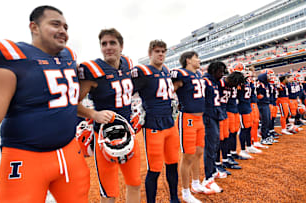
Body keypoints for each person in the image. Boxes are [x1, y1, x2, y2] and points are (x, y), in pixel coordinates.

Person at [0, 6, 91, 202]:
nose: (63, 31)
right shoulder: (13, 57)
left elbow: (70, 101)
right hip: (25, 158)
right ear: (34, 27)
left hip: (69, 154)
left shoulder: (69, 57)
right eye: (55, 24)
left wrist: (94, 114)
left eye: (65, 26)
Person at [77, 28, 141, 203]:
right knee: (109, 191)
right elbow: (72, 104)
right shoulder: (93, 71)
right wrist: (93, 114)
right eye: (104, 44)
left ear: (121, 46)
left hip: (129, 134)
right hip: (104, 138)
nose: (108, 47)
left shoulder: (128, 63)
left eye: (112, 43)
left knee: (135, 183)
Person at [132, 40, 180, 203]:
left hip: (170, 124)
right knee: (154, 168)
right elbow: (127, 92)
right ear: (150, 53)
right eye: (157, 51)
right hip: (153, 125)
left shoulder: (166, 70)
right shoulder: (142, 71)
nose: (161, 54)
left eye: (163, 51)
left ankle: (174, 198)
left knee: (173, 163)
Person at [171, 51, 208, 202]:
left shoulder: (198, 75)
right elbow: (169, 91)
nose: (199, 60)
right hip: (188, 119)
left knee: (199, 152)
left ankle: (196, 183)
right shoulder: (181, 74)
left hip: (200, 118)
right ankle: (185, 192)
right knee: (188, 155)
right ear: (188, 60)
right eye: (196, 58)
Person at [201, 61, 226, 193]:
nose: (222, 74)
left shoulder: (215, 82)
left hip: (215, 115)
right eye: (220, 71)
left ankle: (212, 170)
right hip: (208, 117)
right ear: (213, 70)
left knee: (215, 144)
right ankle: (207, 178)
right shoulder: (205, 81)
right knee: (210, 146)